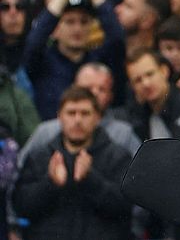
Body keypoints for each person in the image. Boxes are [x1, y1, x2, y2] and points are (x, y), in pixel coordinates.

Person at [12, 86, 133, 240]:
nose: (77, 120)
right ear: (59, 117)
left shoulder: (117, 157)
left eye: (85, 113)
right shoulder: (40, 157)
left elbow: (125, 207)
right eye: (71, 113)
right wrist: (50, 183)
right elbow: (21, 206)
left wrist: (90, 179)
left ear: (97, 118)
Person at [22, 0, 124, 120]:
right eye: (69, 22)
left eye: (84, 22)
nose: (77, 28)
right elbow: (35, 40)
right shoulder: (42, 61)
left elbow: (117, 38)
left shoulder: (99, 59)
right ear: (56, 28)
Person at [19, 62, 141, 163]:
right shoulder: (46, 132)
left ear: (110, 95)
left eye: (102, 89)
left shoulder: (123, 134)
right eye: (88, 88)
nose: (94, 93)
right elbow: (20, 171)